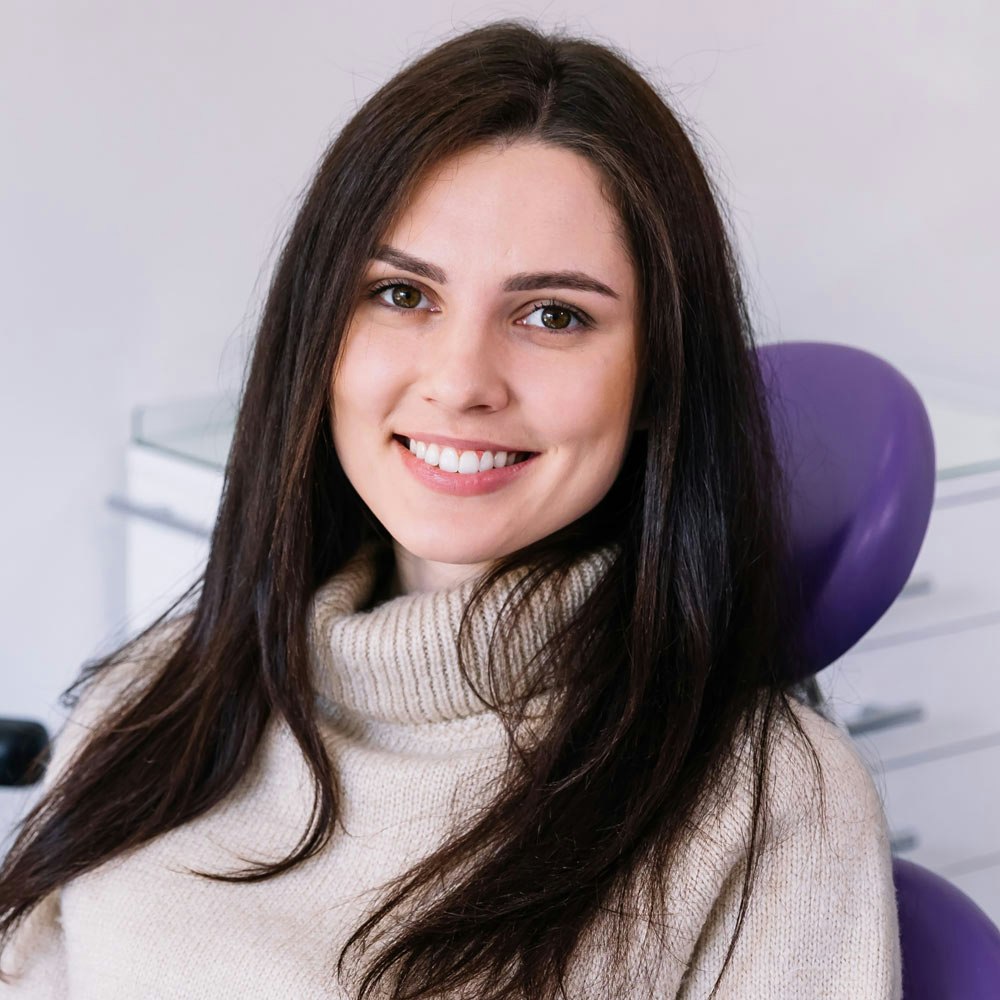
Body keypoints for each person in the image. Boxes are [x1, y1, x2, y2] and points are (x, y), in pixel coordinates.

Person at [0, 19, 901, 999]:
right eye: (401, 294)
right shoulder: (158, 690)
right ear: (318, 332)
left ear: (657, 378)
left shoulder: (770, 805)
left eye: (553, 314)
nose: (461, 380)